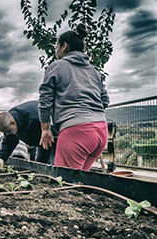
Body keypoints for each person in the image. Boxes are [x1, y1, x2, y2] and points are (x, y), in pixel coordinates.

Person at [38, 23, 109, 171]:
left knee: (65, 183)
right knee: (80, 182)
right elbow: (105, 100)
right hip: (101, 131)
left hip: (77, 132)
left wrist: (45, 129)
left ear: (64, 46)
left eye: (56, 45)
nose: (55, 49)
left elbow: (45, 100)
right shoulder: (94, 71)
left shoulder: (57, 66)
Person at [0, 101, 58, 170]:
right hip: (41, 142)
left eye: (7, 131)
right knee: (40, 167)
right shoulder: (12, 120)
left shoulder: (34, 118)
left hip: (55, 139)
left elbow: (54, 132)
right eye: (4, 132)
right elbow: (9, 142)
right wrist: (1, 157)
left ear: (13, 122)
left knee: (54, 165)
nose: (7, 134)